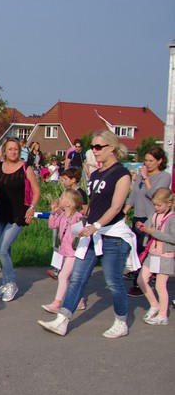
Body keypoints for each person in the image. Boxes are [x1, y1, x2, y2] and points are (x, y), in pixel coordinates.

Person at [39, 130, 137, 338]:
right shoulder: (95, 174)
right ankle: (62, 319)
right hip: (92, 232)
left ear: (112, 148)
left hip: (113, 234)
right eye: (92, 147)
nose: (94, 150)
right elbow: (92, 204)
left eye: (98, 146)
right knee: (77, 278)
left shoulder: (122, 174)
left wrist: (97, 225)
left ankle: (121, 321)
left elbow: (116, 206)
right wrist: (82, 219)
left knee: (113, 281)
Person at [0, 138, 41, 302]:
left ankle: (11, 283)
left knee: (2, 249)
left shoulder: (26, 167)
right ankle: (5, 284)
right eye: (10, 149)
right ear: (4, 151)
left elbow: (36, 190)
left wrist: (32, 208)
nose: (13, 152)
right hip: (1, 213)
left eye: (16, 149)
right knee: (4, 251)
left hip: (18, 214)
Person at [123, 146, 171, 296]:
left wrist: (145, 178)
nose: (147, 164)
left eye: (151, 161)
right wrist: (124, 211)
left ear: (159, 161)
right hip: (138, 216)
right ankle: (139, 276)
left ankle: (141, 283)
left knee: (146, 250)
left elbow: (155, 196)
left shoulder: (164, 176)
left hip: (151, 218)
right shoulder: (141, 174)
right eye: (146, 160)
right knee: (137, 249)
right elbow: (134, 195)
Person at [41, 189, 86, 313]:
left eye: (62, 198)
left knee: (63, 276)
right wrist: (53, 213)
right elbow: (52, 225)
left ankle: (57, 303)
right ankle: (79, 301)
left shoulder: (77, 217)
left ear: (68, 203)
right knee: (70, 277)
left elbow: (80, 234)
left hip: (73, 252)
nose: (59, 199)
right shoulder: (62, 215)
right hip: (64, 251)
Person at [135, 188, 175, 326]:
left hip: (165, 256)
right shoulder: (154, 215)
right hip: (152, 254)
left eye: (159, 205)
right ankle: (154, 305)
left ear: (169, 203)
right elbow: (147, 227)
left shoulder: (172, 218)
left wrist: (153, 232)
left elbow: (173, 238)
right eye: (154, 205)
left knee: (160, 286)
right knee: (141, 280)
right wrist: (141, 227)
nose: (156, 207)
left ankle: (163, 315)